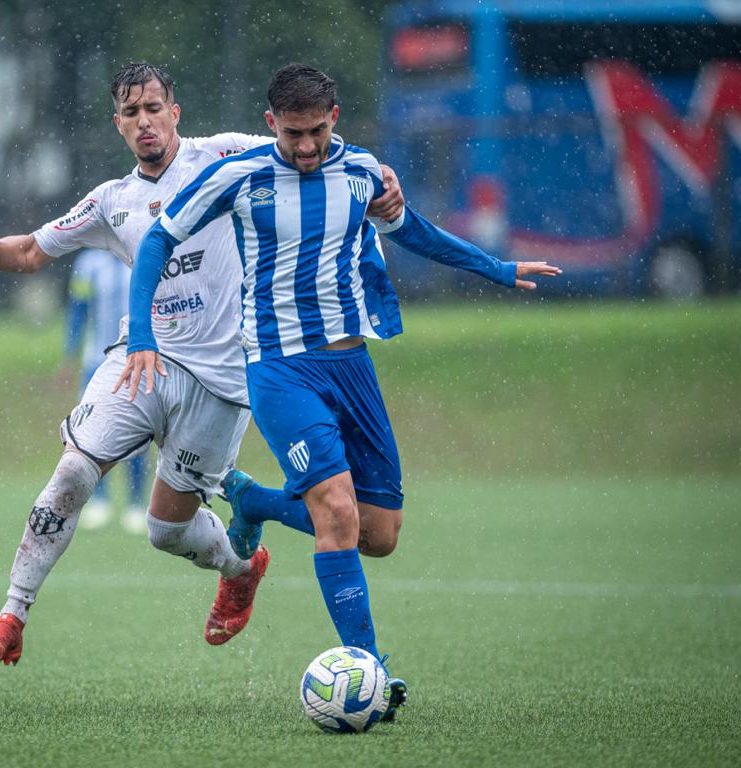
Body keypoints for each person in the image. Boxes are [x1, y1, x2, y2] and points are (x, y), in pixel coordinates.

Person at [119, 63, 562, 721]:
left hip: (353, 369)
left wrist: (494, 268)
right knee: (335, 511)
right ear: (271, 124)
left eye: (318, 132)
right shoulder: (239, 177)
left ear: (336, 120)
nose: (306, 147)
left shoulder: (362, 173)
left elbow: (409, 230)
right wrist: (139, 338)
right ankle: (372, 676)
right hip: (278, 370)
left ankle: (259, 502)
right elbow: (158, 239)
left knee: (379, 534)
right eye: (293, 133)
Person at [0, 62, 405, 667]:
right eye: (131, 113)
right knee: (74, 473)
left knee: (166, 531)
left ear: (175, 111)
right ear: (118, 124)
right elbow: (30, 251)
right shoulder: (111, 201)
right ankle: (10, 617)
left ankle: (240, 567)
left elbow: (314, 147)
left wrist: (383, 179)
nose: (145, 122)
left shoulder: (227, 154)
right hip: (141, 360)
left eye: (154, 108)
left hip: (224, 383)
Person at [60, 247, 149, 534]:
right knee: (92, 433)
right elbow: (78, 310)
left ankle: (136, 503)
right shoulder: (87, 264)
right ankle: (99, 499)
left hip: (133, 359)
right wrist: (69, 356)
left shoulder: (142, 259)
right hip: (95, 362)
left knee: (137, 430)